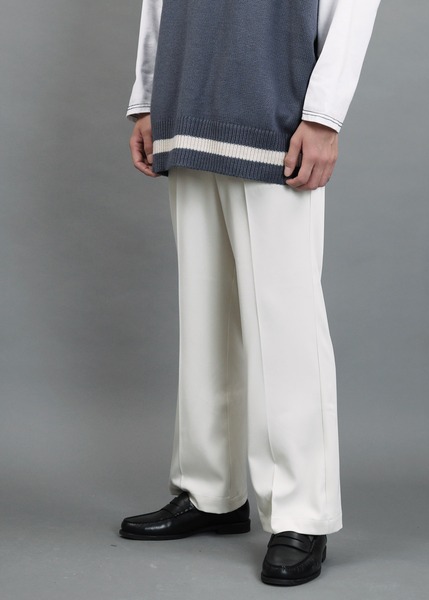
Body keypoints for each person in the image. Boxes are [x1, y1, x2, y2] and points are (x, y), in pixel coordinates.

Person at [119, 0, 381, 586]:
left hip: (275, 104)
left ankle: (301, 512)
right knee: (205, 316)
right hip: (186, 93)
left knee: (284, 322)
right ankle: (210, 492)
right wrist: (149, 96)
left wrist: (324, 115)